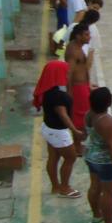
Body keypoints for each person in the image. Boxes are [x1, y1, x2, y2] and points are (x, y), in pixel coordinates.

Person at [34, 60, 84, 198]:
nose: (67, 74)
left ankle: (55, 186)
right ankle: (65, 187)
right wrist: (75, 131)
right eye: (65, 72)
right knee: (70, 157)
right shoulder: (58, 96)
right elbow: (63, 114)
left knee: (53, 157)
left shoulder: (49, 91)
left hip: (48, 128)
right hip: (58, 132)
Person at [84, 87, 112, 223]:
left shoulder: (89, 114)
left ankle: (97, 214)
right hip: (105, 161)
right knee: (108, 193)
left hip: (91, 155)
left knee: (94, 185)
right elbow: (111, 146)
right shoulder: (107, 121)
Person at [64, 23, 92, 152]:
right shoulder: (73, 51)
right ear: (78, 36)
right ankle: (77, 146)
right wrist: (69, 92)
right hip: (78, 88)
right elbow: (69, 73)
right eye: (86, 35)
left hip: (83, 86)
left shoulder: (78, 47)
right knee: (79, 118)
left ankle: (78, 144)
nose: (89, 37)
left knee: (83, 116)